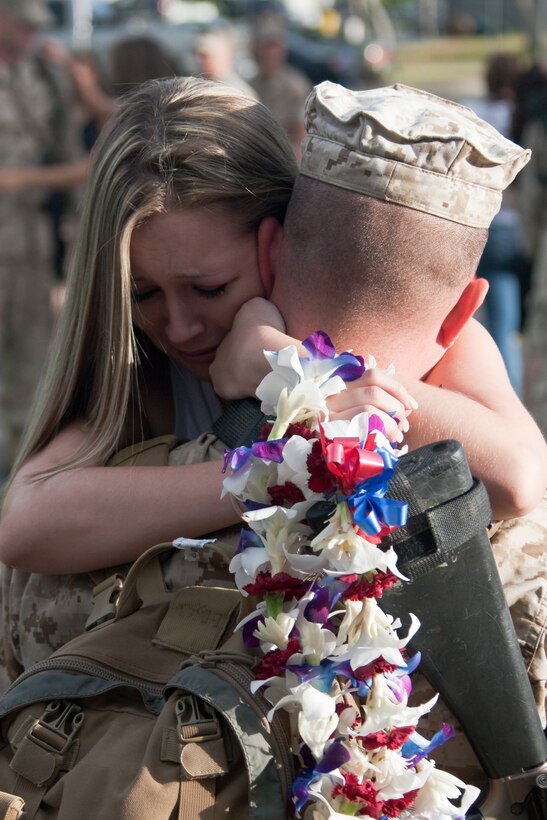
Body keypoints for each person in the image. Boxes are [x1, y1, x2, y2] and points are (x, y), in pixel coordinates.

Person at [0, 77, 545, 685]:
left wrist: (300, 368)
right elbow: (27, 522)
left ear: (273, 247)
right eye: (142, 293)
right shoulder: (141, 368)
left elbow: (519, 480)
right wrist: (275, 469)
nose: (178, 326)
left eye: (209, 289)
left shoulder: (420, 324)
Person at [0, 0, 79, 476]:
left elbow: (64, 136)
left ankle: (20, 472)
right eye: (23, 24)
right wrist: (60, 175)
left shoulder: (41, 75)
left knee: (32, 364)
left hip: (29, 243)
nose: (32, 34)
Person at [461, 53, 528, 395]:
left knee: (461, 320)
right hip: (511, 226)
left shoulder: (471, 113)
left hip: (470, 224)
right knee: (505, 320)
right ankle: (509, 395)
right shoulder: (521, 119)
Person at [249, 13, 312, 160]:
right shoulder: (251, 86)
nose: (270, 53)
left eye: (274, 46)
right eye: (265, 46)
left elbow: (302, 137)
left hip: (284, 161)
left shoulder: (296, 85)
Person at [193, 22, 257, 98]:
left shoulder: (239, 94)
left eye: (204, 56)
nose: (198, 60)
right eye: (197, 54)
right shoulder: (198, 86)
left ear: (225, 55)